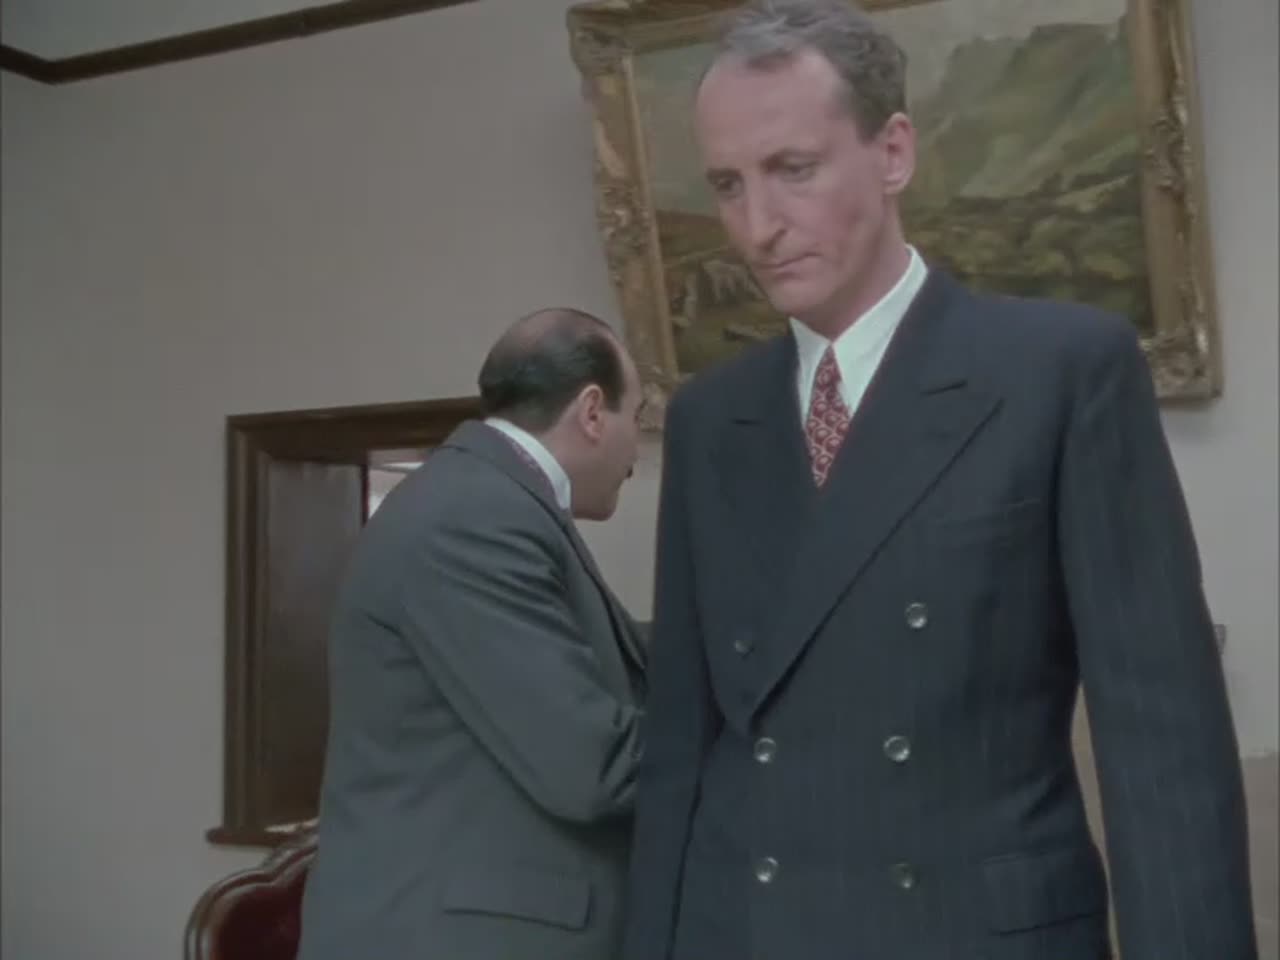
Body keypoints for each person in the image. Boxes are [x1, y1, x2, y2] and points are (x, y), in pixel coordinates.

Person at [621, 2, 1256, 958]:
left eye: (793, 169)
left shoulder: (1057, 371)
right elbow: (682, 742)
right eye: (727, 184)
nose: (757, 227)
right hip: (748, 927)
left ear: (893, 152)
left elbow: (1161, 740)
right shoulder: (711, 417)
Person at [297, 307, 648, 960]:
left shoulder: (492, 501)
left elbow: (618, 654)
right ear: (593, 412)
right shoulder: (476, 515)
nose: (638, 448)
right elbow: (590, 768)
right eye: (639, 416)